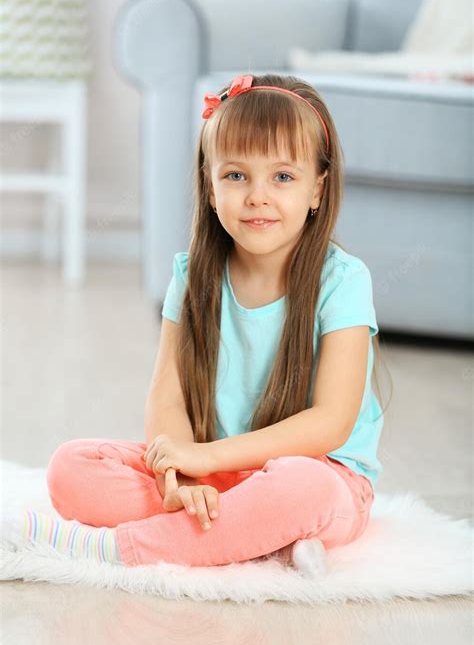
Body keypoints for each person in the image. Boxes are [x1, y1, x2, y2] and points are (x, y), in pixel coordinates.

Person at [1, 74, 391, 574]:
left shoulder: (344, 281)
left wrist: (210, 459)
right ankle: (259, 537)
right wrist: (184, 474)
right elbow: (168, 397)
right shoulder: (192, 276)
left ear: (318, 189)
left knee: (303, 488)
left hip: (322, 478)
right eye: (235, 176)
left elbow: (330, 423)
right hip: (218, 473)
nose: (257, 196)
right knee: (72, 468)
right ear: (209, 187)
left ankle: (117, 550)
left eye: (283, 177)